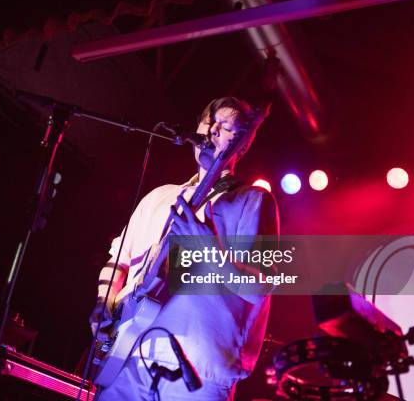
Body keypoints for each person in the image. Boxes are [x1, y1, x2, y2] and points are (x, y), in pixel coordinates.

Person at [90, 97, 280, 400]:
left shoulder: (252, 200)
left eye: (226, 127)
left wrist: (208, 249)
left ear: (242, 145)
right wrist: (104, 302)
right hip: (129, 357)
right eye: (209, 122)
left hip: (198, 371)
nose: (214, 130)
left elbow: (260, 286)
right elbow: (118, 262)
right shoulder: (158, 197)